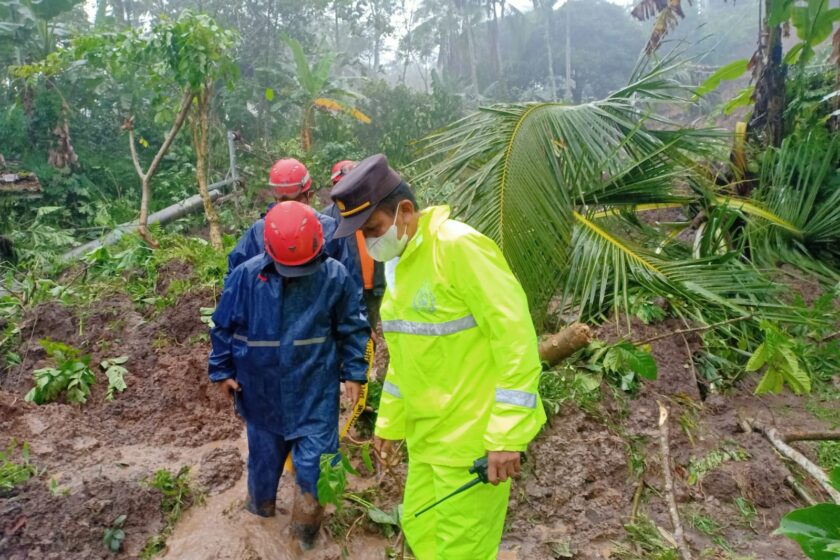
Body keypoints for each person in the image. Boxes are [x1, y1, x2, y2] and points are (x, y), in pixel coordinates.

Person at [330, 154, 546, 560]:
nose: (371, 242)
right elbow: (405, 360)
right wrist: (390, 424)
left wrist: (506, 435)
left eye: (374, 229)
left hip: (472, 444)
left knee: (459, 552)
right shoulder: (400, 265)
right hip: (428, 442)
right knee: (420, 530)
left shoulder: (458, 248)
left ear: (405, 212)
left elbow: (515, 339)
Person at [208, 201, 371, 551]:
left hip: (315, 387)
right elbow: (223, 326)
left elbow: (353, 327)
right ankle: (259, 512)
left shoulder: (334, 276)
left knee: (317, 465)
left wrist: (355, 373)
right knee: (264, 461)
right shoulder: (246, 277)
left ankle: (307, 534)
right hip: (260, 388)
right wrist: (222, 371)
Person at [225, 157, 361, 290]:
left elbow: (349, 281)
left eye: (295, 201)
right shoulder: (259, 231)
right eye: (283, 202)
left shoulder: (329, 229)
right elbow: (235, 279)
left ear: (309, 196)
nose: (289, 209)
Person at [323, 160, 386, 330]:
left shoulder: (376, 209)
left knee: (368, 334)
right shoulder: (327, 218)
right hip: (345, 289)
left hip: (374, 286)